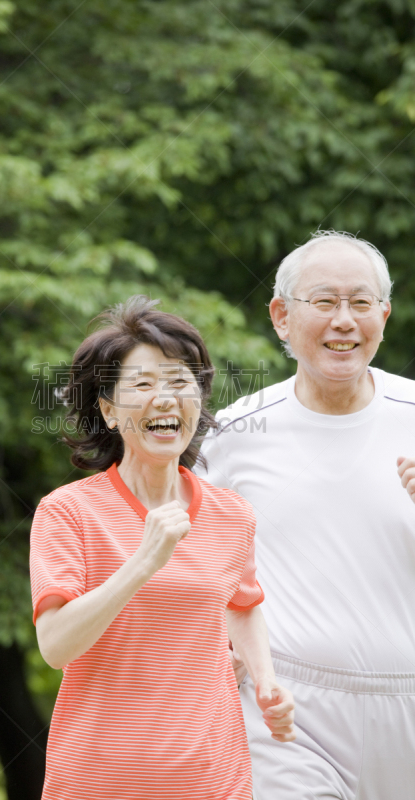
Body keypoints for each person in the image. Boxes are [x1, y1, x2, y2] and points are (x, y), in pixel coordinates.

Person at [29, 296, 295, 800]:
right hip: (97, 780)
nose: (166, 398)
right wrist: (144, 562)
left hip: (213, 780)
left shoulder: (232, 514)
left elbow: (242, 604)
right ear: (108, 410)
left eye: (179, 382)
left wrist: (265, 679)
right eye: (143, 385)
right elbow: (56, 645)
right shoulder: (67, 512)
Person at [197, 230, 415, 800]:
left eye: (361, 303)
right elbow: (186, 557)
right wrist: (213, 635)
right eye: (324, 301)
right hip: (290, 710)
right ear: (281, 316)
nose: (344, 320)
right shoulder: (234, 433)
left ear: (384, 316)